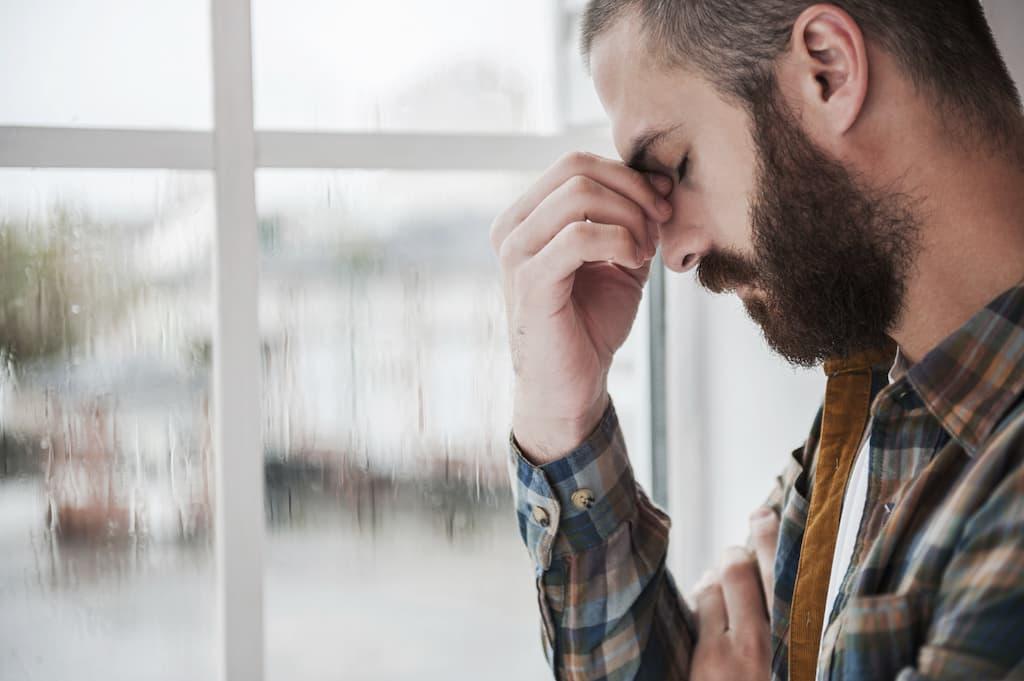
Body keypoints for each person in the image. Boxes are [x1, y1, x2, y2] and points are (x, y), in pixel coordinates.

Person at [489, 1, 1024, 679]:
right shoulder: (875, 409)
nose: (674, 252)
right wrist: (562, 413)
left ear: (826, 71)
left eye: (676, 165)